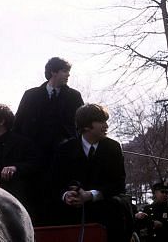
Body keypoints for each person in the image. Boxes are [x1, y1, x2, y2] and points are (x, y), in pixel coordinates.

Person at [14, 57, 84, 224]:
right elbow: (18, 125)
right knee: (35, 198)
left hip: (63, 158)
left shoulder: (74, 96)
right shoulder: (30, 95)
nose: (68, 75)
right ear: (53, 71)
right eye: (65, 71)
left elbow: (82, 125)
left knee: (60, 195)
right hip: (34, 159)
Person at [53, 103, 130, 242]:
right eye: (101, 122)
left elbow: (118, 184)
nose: (106, 126)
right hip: (73, 213)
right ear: (86, 126)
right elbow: (55, 182)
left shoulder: (113, 148)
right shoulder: (65, 149)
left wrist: (91, 195)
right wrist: (66, 195)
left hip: (106, 211)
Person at [0, 104, 38, 211]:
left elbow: (35, 165)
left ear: (2, 121)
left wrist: (16, 168)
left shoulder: (24, 143)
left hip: (17, 201)